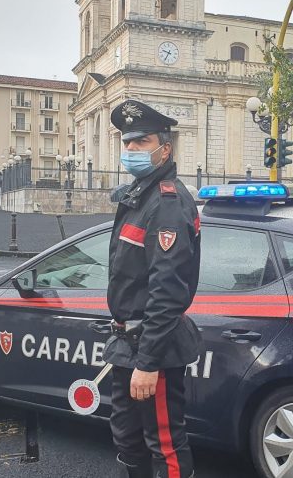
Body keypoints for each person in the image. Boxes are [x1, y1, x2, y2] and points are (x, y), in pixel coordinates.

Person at [105, 99, 202, 478]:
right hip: (128, 344)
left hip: (153, 347)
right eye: (126, 143)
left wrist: (148, 363)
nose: (130, 150)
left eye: (141, 142)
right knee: (127, 437)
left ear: (165, 148)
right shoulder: (139, 197)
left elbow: (167, 290)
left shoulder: (166, 203)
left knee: (164, 443)